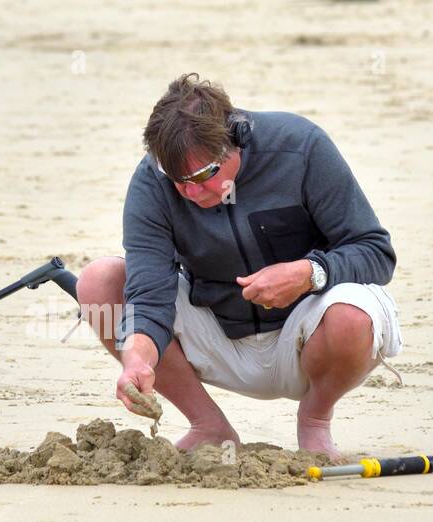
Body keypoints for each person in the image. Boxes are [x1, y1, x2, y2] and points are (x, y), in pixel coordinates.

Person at [77, 73, 403, 459]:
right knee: (99, 281)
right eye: (179, 182)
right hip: (217, 332)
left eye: (204, 176)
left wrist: (307, 273)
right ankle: (208, 426)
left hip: (307, 332)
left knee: (351, 314)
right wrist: (137, 358)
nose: (193, 192)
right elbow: (149, 298)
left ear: (235, 140)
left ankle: (315, 421)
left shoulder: (300, 146)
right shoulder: (153, 181)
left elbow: (375, 251)